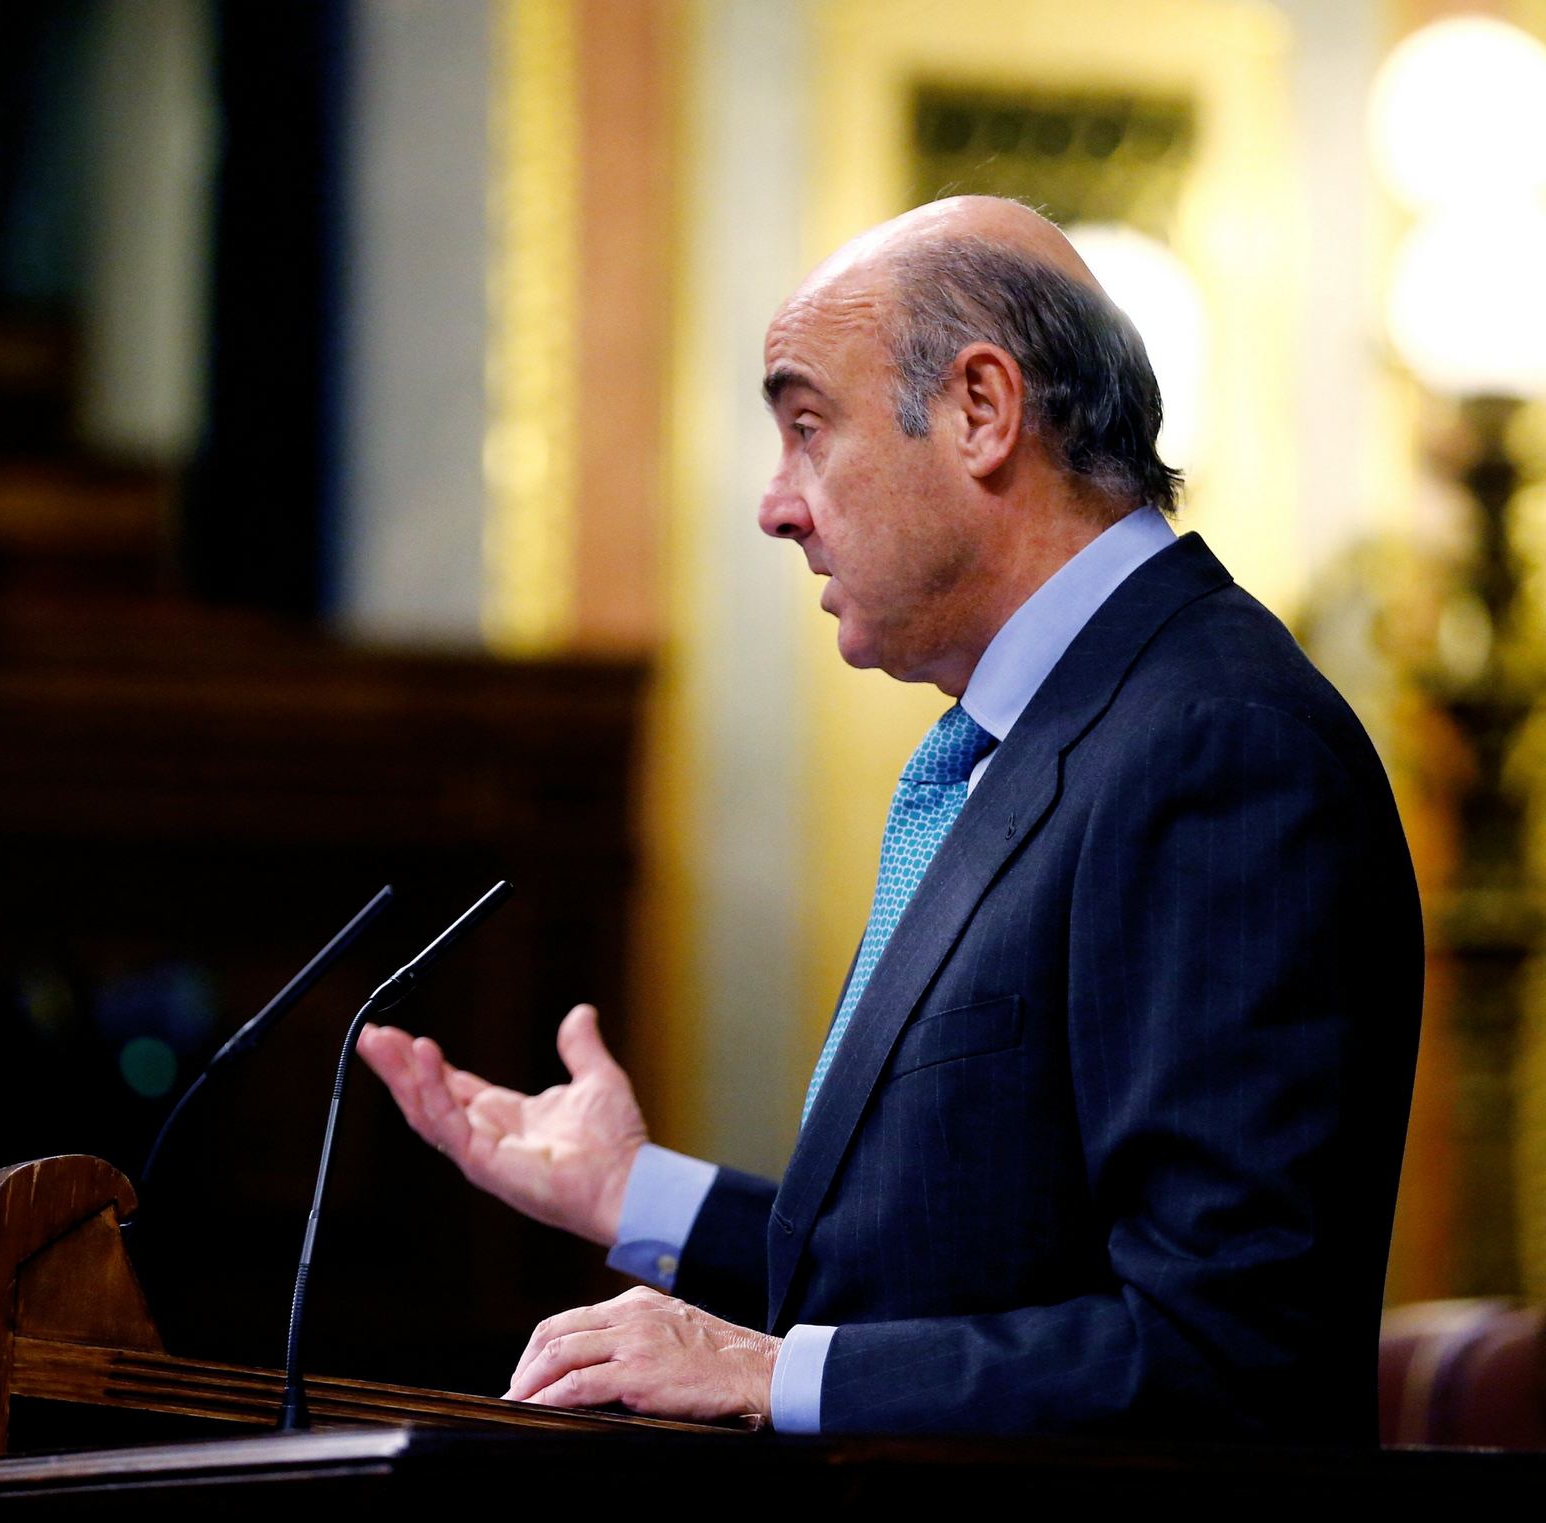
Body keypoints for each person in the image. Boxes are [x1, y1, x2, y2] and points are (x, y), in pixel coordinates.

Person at [357, 196, 1422, 1441]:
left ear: (981, 410)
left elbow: (1229, 1350)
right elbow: (953, 1268)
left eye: (809, 428)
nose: (777, 504)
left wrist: (770, 1375)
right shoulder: (1048, 735)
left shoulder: (1219, 747)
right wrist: (632, 1194)